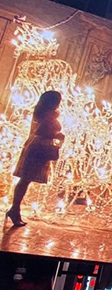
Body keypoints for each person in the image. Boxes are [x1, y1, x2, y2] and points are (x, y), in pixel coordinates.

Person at [6, 91, 64, 227]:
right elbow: (43, 130)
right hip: (38, 149)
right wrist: (58, 137)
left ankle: (15, 209)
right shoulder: (46, 114)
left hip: (36, 146)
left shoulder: (41, 111)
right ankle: (14, 210)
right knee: (25, 180)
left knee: (25, 180)